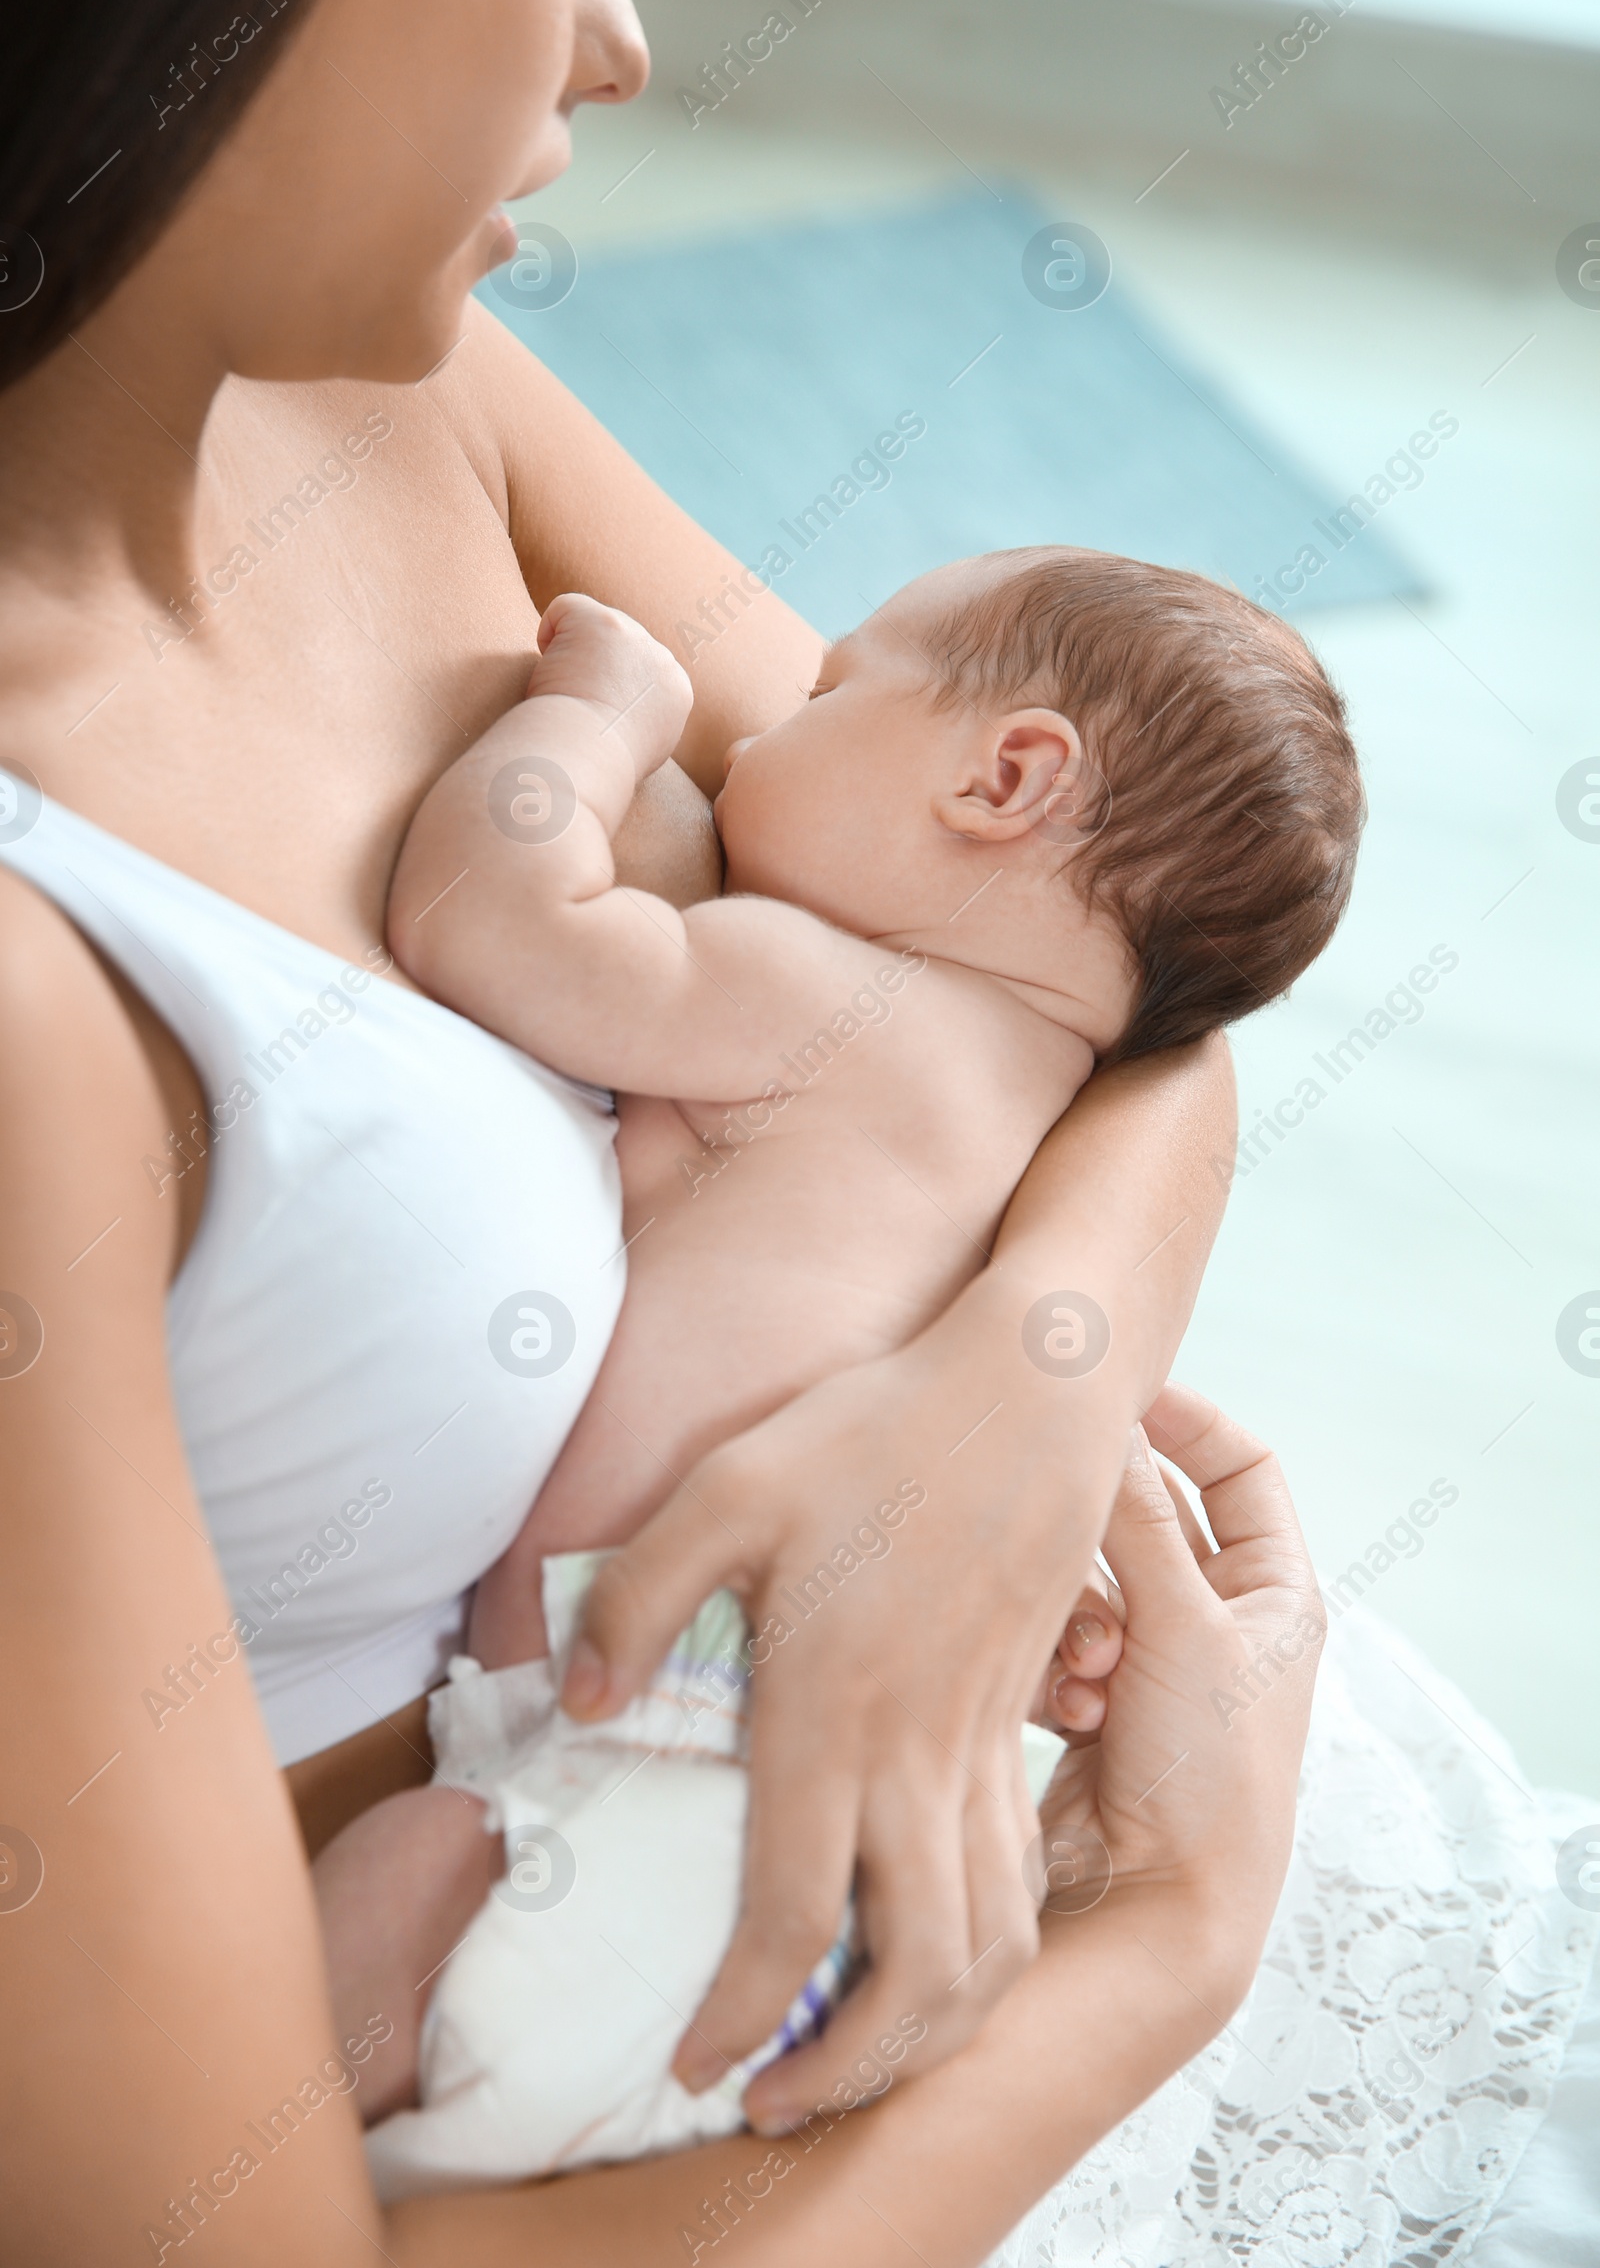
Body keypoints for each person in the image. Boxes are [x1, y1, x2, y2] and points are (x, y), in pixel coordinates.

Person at [0, 0, 1590, 2264]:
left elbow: (1115, 982)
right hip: (730, 2051)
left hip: (1157, 1829)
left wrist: (1013, 1395)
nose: (620, 41)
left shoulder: (389, 381)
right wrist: (1161, 1926)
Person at [313, 550, 1362, 2186]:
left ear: (1005, 777)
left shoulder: (840, 995)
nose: (751, 740)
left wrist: (596, 716)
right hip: (870, 1826)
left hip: (673, 1739)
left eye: (828, 691)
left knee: (321, 2009)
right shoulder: (1045, 1108)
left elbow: (486, 918)